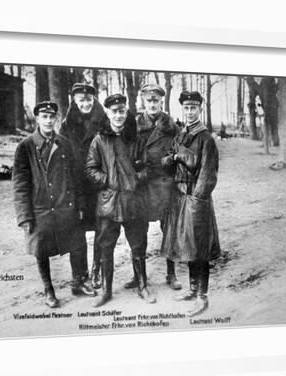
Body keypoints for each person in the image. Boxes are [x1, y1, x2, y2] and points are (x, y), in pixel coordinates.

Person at [12, 101, 96, 308]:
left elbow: (76, 177)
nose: (48, 121)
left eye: (52, 117)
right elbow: (20, 184)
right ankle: (49, 289)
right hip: (40, 208)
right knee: (41, 250)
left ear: (56, 119)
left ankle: (79, 281)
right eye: (44, 117)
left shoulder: (65, 143)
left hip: (65, 205)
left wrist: (81, 205)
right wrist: (24, 216)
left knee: (78, 245)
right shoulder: (26, 146)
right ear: (37, 119)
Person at [85, 93, 155, 307]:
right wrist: (108, 179)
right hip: (109, 203)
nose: (118, 115)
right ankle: (106, 291)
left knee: (138, 245)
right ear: (107, 113)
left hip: (134, 201)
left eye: (122, 111)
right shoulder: (99, 140)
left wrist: (134, 179)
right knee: (106, 247)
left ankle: (142, 286)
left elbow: (147, 167)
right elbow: (90, 168)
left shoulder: (137, 138)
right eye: (114, 112)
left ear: (127, 112)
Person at [161, 91, 221, 317]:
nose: (189, 112)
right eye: (186, 108)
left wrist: (197, 198)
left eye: (193, 108)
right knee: (187, 246)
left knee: (200, 249)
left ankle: (202, 296)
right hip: (180, 198)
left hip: (196, 200)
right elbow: (166, 162)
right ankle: (192, 288)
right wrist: (174, 158)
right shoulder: (180, 135)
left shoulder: (205, 138)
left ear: (200, 109)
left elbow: (208, 174)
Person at [124, 83, 182, 291]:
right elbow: (125, 152)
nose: (152, 104)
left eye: (156, 100)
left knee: (169, 230)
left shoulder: (171, 126)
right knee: (137, 232)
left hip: (165, 185)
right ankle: (138, 276)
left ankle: (171, 273)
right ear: (142, 101)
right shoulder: (133, 124)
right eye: (149, 100)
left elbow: (180, 154)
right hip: (141, 186)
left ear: (161, 102)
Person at [60, 83, 107, 290]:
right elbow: (63, 156)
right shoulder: (66, 124)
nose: (86, 104)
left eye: (89, 100)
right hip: (77, 186)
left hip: (99, 184)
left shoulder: (104, 121)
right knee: (76, 232)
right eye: (81, 100)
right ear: (74, 101)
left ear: (94, 99)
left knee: (101, 229)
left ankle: (98, 270)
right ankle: (80, 275)